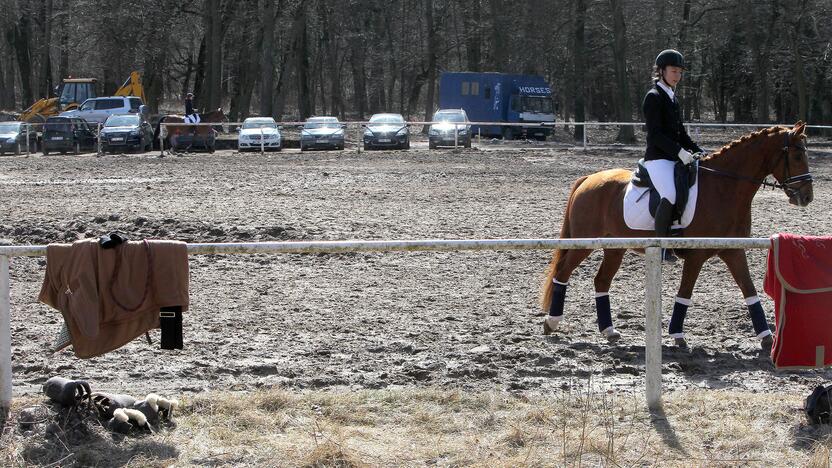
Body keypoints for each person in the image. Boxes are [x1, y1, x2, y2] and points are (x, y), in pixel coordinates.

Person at [642, 49, 704, 262]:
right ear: (661, 71)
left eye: (679, 72)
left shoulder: (673, 98)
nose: (677, 75)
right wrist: (680, 152)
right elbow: (656, 135)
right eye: (673, 71)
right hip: (657, 158)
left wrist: (697, 150)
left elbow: (681, 133)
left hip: (674, 157)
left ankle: (678, 229)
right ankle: (661, 246)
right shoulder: (654, 97)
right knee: (669, 193)